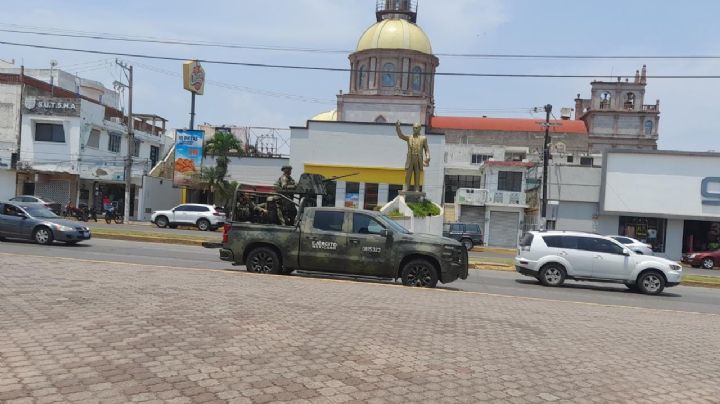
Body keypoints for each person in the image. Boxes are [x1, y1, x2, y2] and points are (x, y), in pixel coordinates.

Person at [395, 121, 430, 192]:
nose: (414, 129)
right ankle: (406, 187)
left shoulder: (423, 138)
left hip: (418, 159)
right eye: (413, 128)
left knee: (417, 174)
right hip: (410, 158)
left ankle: (417, 188)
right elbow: (401, 136)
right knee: (408, 174)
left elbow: (426, 149)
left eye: (416, 128)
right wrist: (398, 128)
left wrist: (428, 156)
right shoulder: (409, 137)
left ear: (420, 129)